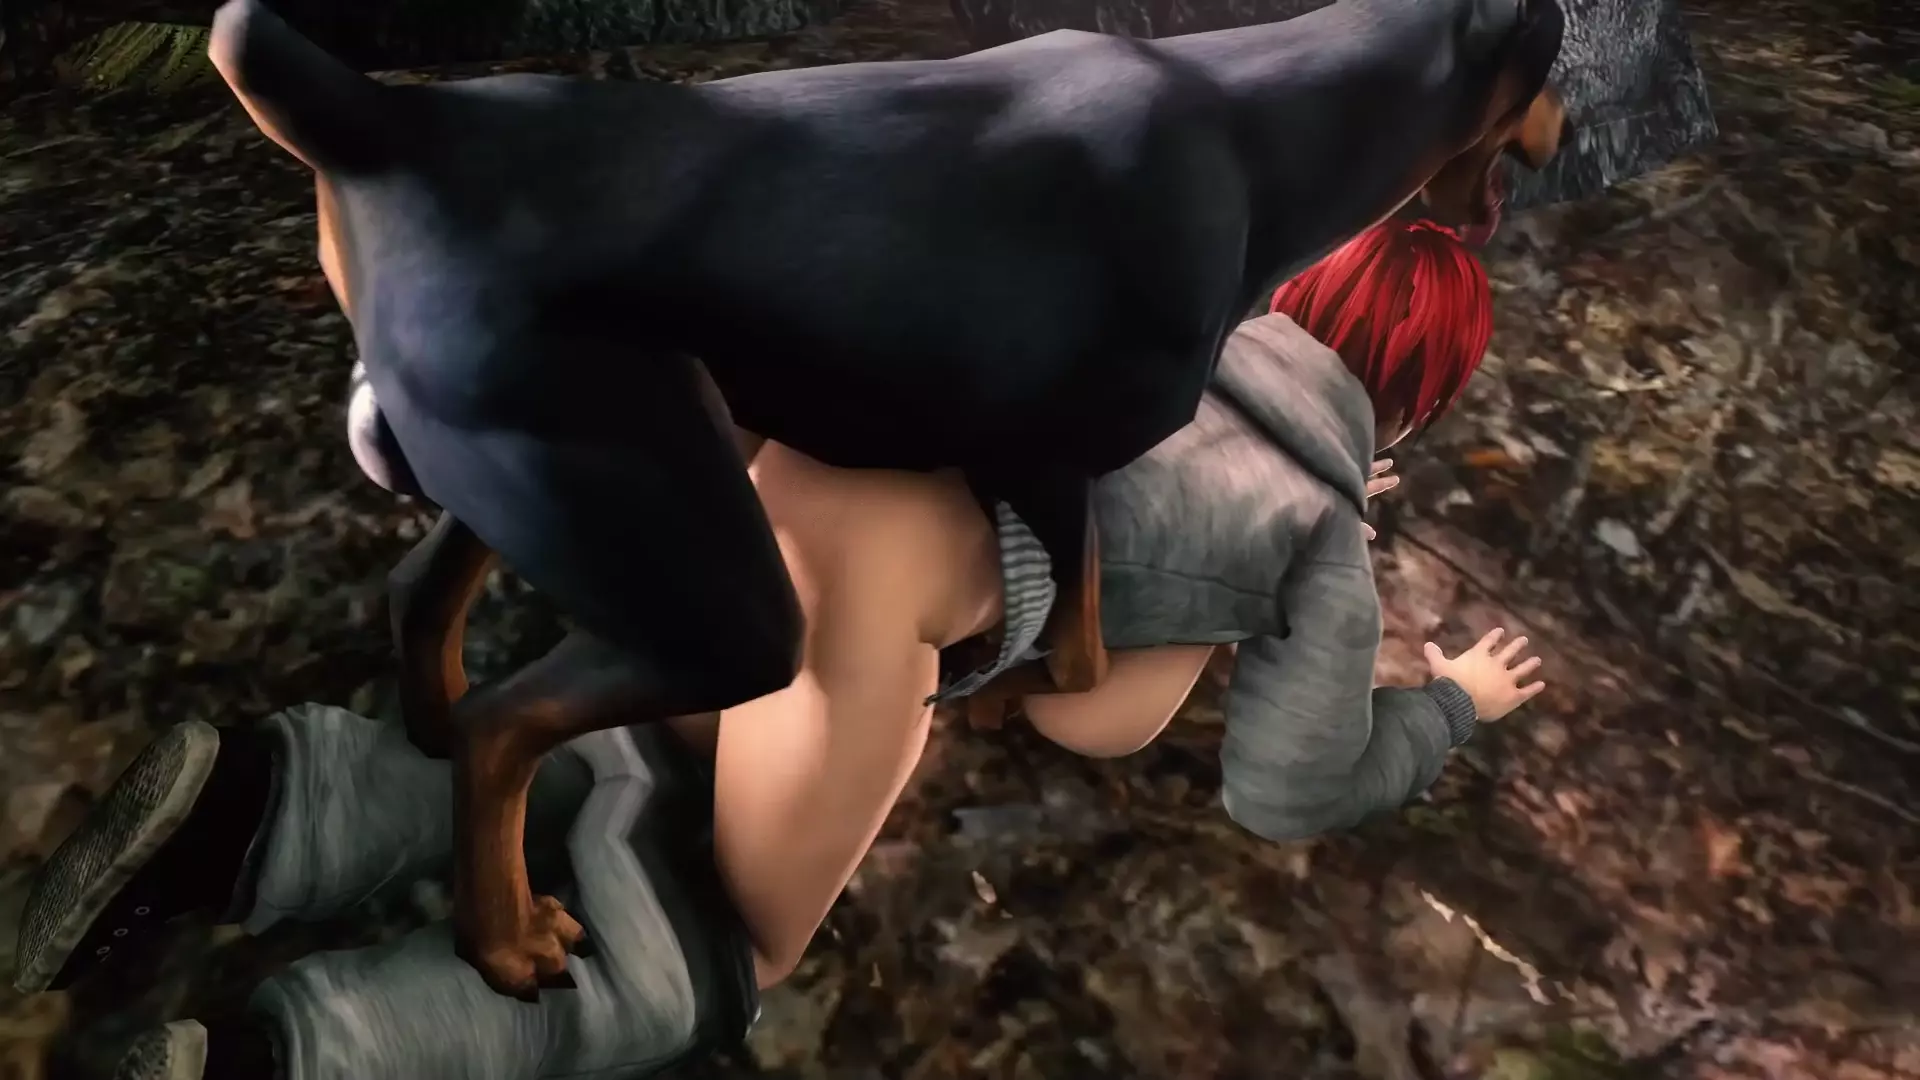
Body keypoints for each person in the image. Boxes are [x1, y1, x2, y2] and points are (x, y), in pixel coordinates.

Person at [13, 219, 1545, 1080]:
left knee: (640, 735)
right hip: (872, 606)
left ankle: (256, 802)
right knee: (706, 955)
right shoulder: (1313, 527)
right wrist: (1445, 705)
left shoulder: (1163, 332)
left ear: (1298, 286)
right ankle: (297, 1059)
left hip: (771, 484)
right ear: (1419, 400)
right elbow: (1226, 768)